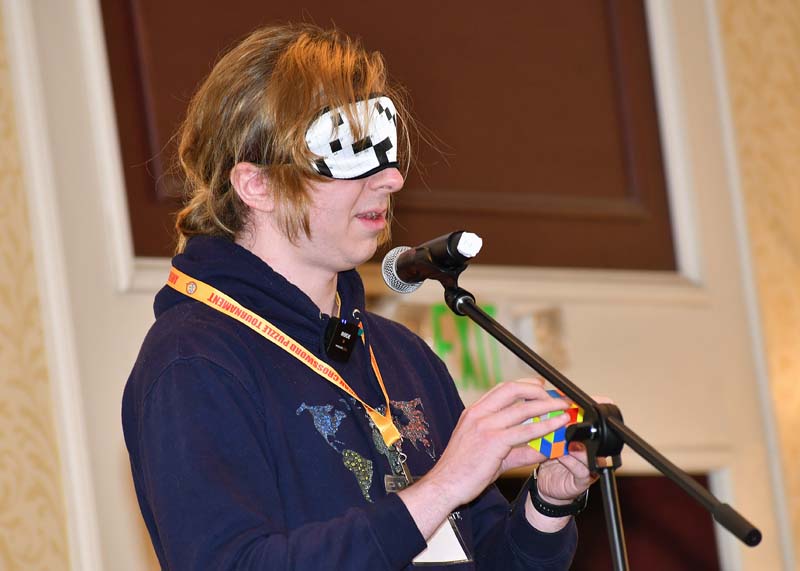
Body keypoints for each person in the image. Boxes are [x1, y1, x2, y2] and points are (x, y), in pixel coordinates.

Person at [123, 23, 597, 570]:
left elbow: (488, 556)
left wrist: (547, 503)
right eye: (351, 153)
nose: (392, 179)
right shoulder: (195, 362)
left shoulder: (401, 354)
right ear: (258, 186)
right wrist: (444, 484)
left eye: (387, 148)